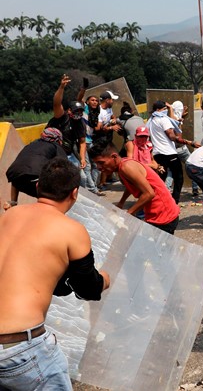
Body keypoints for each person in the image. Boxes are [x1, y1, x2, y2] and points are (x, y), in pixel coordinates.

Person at [0, 158, 110, 389]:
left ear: (38, 186)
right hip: (21, 347)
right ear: (74, 193)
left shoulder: (9, 216)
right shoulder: (72, 230)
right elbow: (87, 288)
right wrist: (104, 281)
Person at [90, 143, 181, 234]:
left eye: (101, 163)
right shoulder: (122, 166)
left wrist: (128, 214)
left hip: (164, 215)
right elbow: (131, 185)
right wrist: (121, 203)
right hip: (156, 213)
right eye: (96, 164)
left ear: (114, 156)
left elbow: (149, 193)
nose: (99, 167)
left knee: (158, 247)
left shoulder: (127, 167)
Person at [146, 100, 200, 204]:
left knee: (161, 179)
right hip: (169, 153)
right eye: (164, 109)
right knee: (178, 177)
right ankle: (174, 201)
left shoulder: (151, 121)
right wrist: (189, 142)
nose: (165, 111)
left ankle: (159, 200)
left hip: (157, 154)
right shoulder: (163, 120)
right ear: (160, 109)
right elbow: (172, 136)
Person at [5, 127, 66, 204]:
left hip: (15, 177)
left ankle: (13, 202)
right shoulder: (55, 145)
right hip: (35, 180)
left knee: (18, 174)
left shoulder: (32, 144)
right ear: (58, 139)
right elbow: (64, 166)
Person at [48, 74, 89, 186]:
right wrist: (61, 87)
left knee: (82, 179)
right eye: (76, 111)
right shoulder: (61, 117)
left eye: (81, 112)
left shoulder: (80, 122)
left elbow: (82, 141)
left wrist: (82, 159)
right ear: (69, 111)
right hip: (54, 154)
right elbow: (56, 103)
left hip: (69, 154)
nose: (79, 114)